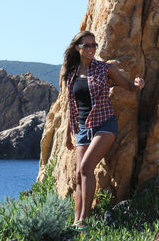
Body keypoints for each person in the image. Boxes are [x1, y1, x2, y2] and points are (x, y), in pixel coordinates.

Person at [62, 30, 145, 231]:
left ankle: (84, 220)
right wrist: (67, 133)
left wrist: (137, 84)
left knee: (85, 168)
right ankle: (76, 221)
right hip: (82, 129)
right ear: (77, 48)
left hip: (104, 125)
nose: (91, 49)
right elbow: (71, 105)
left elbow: (127, 85)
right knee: (79, 175)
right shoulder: (71, 73)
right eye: (87, 45)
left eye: (94, 45)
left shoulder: (105, 68)